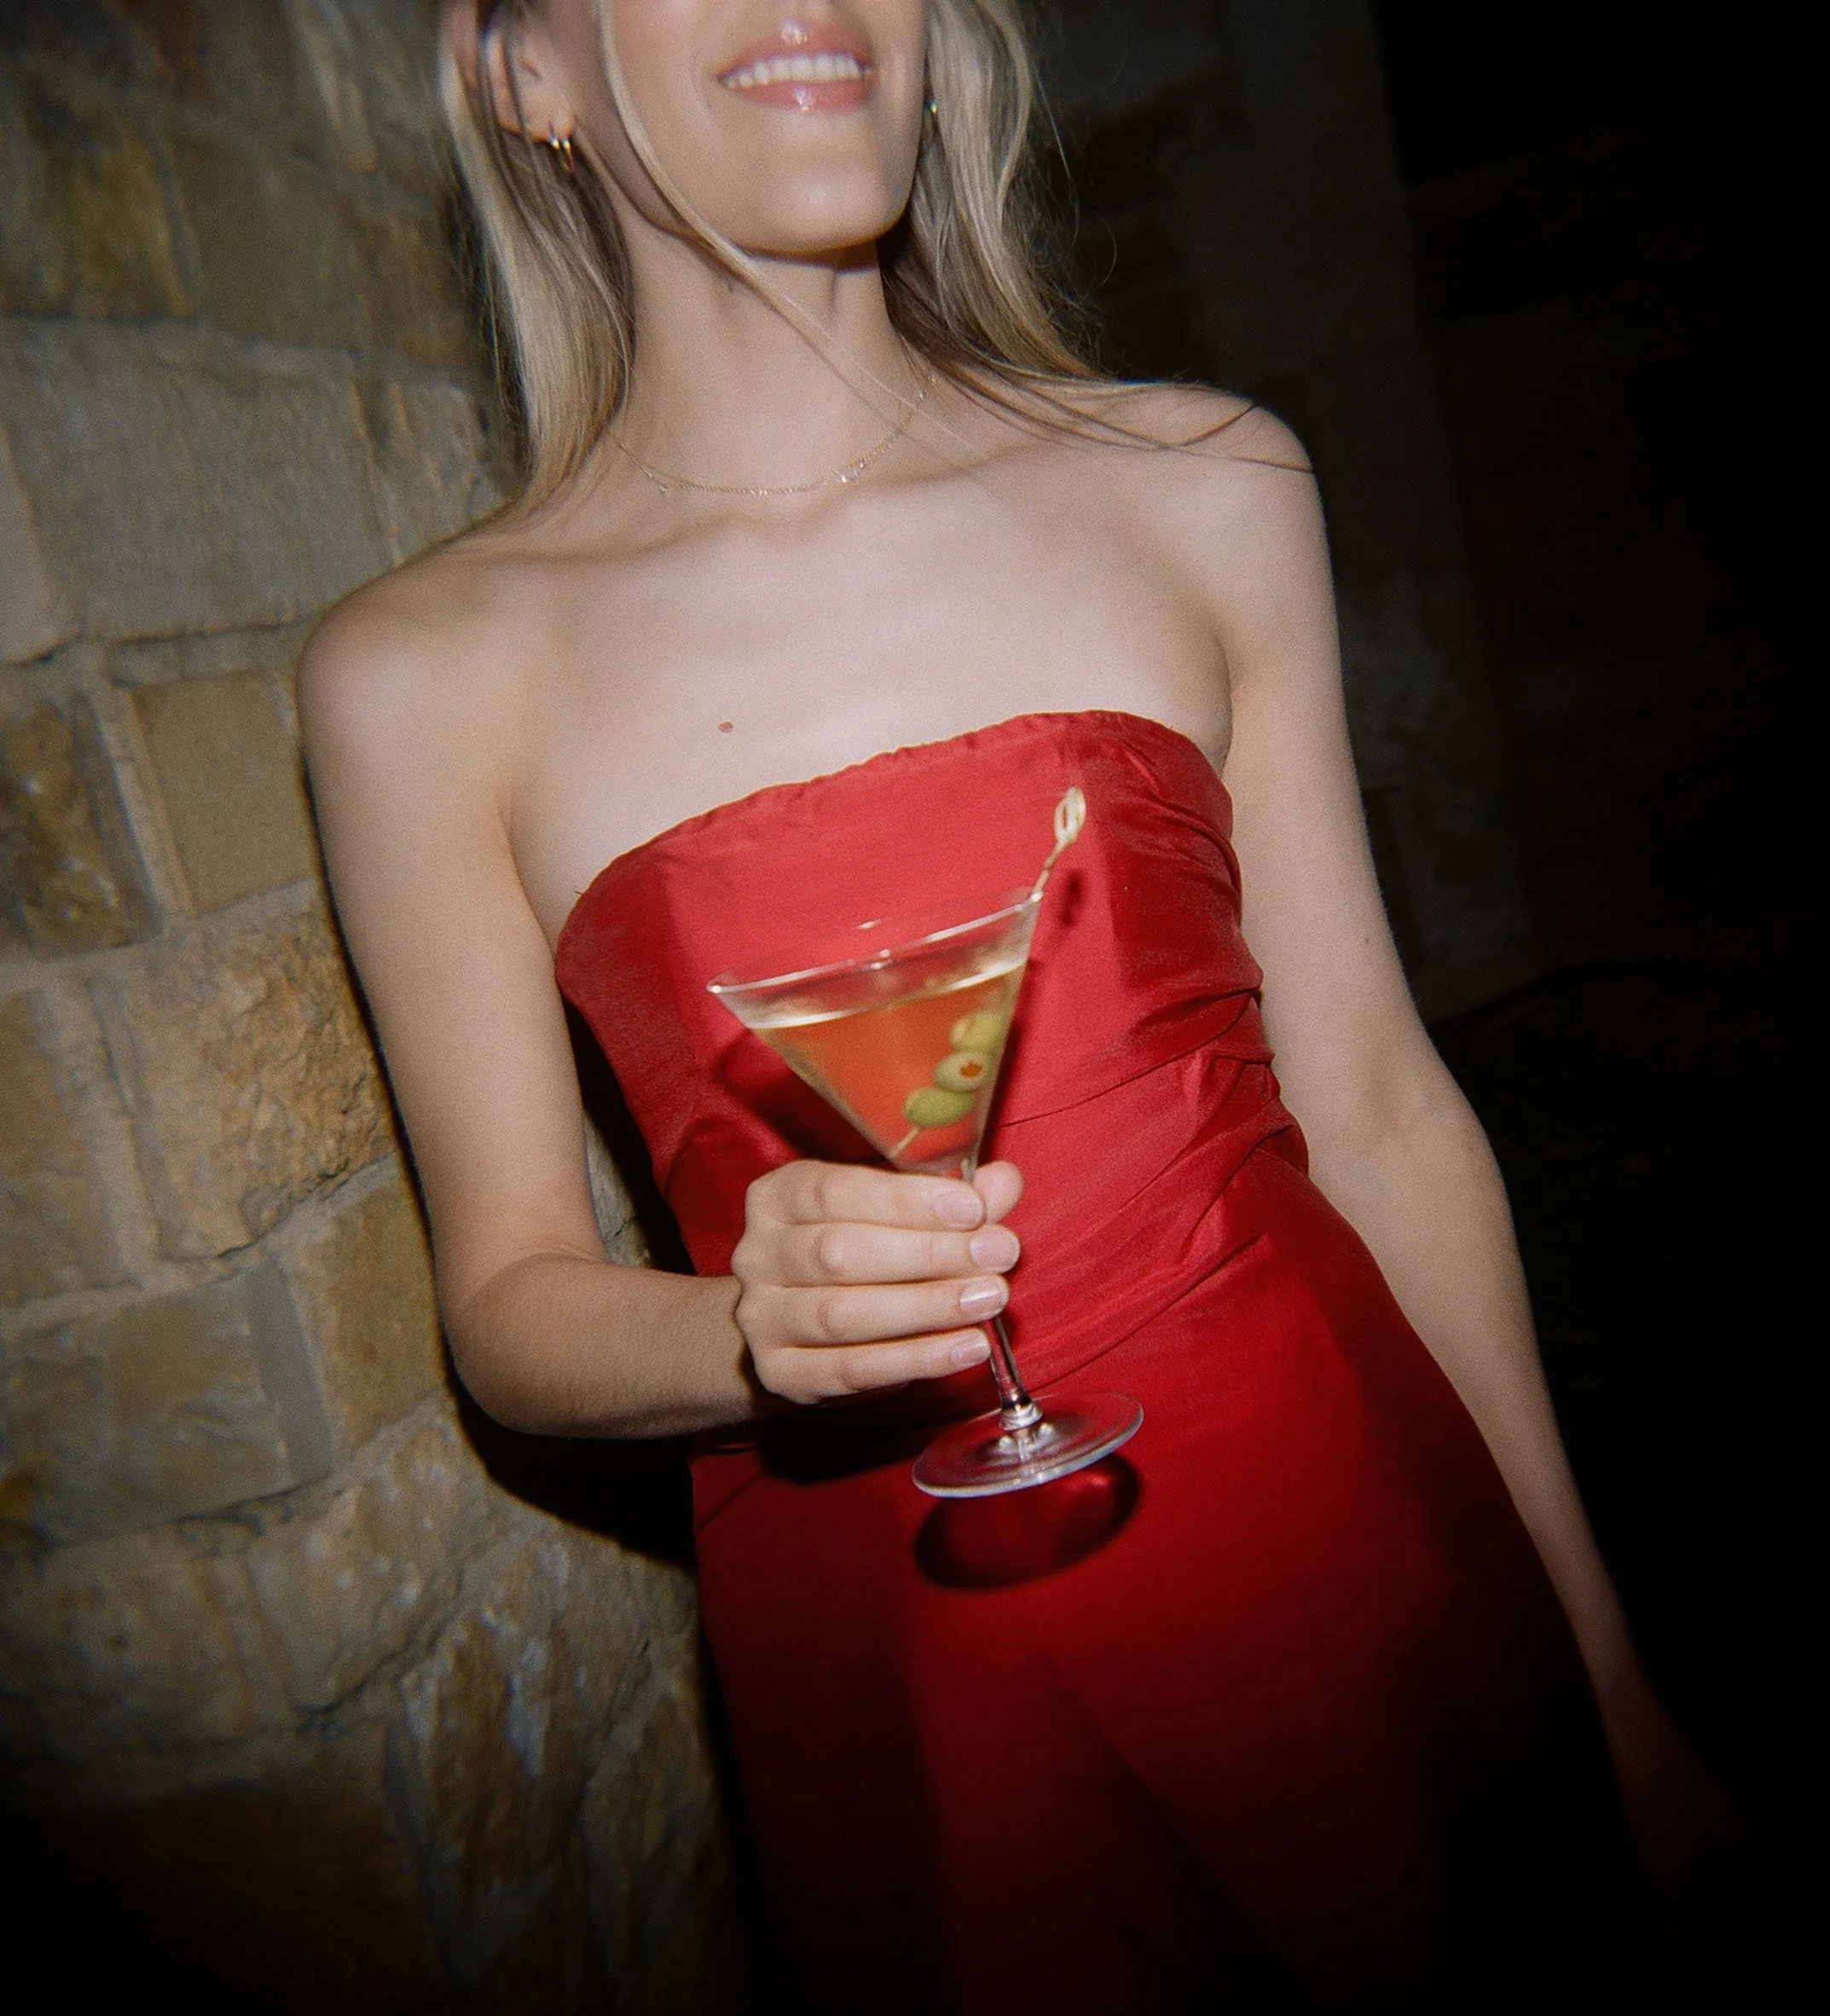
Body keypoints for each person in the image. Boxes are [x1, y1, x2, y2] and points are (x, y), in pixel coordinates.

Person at [300, 2, 1731, 2006]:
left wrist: (1612, 1685)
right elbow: (508, 1307)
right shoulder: (420, 678)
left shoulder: (1205, 485)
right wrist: (746, 1330)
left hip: (1355, 1548)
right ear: (519, 67)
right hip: (913, 1694)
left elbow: (1382, 1112)